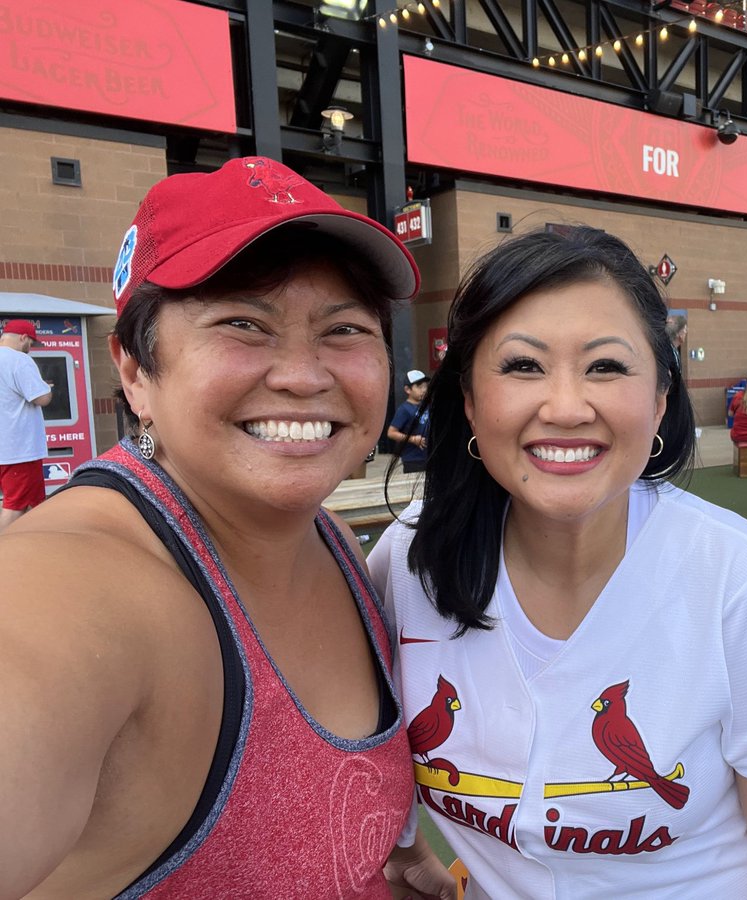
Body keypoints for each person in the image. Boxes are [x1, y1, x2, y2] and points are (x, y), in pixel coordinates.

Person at [0, 157, 453, 899]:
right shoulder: (73, 584)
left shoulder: (332, 540)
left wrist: (393, 862)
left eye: (343, 329)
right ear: (138, 372)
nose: (304, 376)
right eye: (244, 324)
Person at [367, 226, 747, 898]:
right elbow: (363, 751)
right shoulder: (407, 560)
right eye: (522, 366)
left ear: (659, 399)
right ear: (471, 403)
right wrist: (404, 851)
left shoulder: (742, 584)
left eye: (605, 366)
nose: (567, 407)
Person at [0, 319, 52, 533]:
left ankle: (30, 552)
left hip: (5, 450)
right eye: (31, 342)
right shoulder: (19, 361)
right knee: (16, 507)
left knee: (32, 505)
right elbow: (42, 398)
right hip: (19, 450)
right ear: (22, 337)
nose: (30, 348)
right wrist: (46, 389)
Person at [388, 368, 431, 473]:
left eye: (425, 386)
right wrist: (412, 439)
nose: (424, 390)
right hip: (413, 459)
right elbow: (391, 433)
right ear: (408, 390)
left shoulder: (427, 406)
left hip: (429, 456)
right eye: (419, 387)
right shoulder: (404, 409)